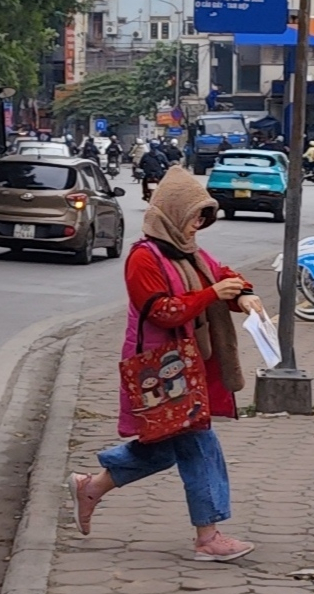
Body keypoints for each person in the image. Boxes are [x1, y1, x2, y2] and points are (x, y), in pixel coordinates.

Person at [67, 167, 260, 562]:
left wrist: (243, 297)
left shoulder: (191, 254)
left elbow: (225, 277)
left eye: (203, 218)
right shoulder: (143, 258)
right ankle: (208, 537)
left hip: (188, 368)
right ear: (171, 215)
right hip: (161, 370)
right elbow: (162, 312)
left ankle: (93, 486)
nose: (197, 226)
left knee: (169, 446)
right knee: (199, 445)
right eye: (192, 217)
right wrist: (212, 294)